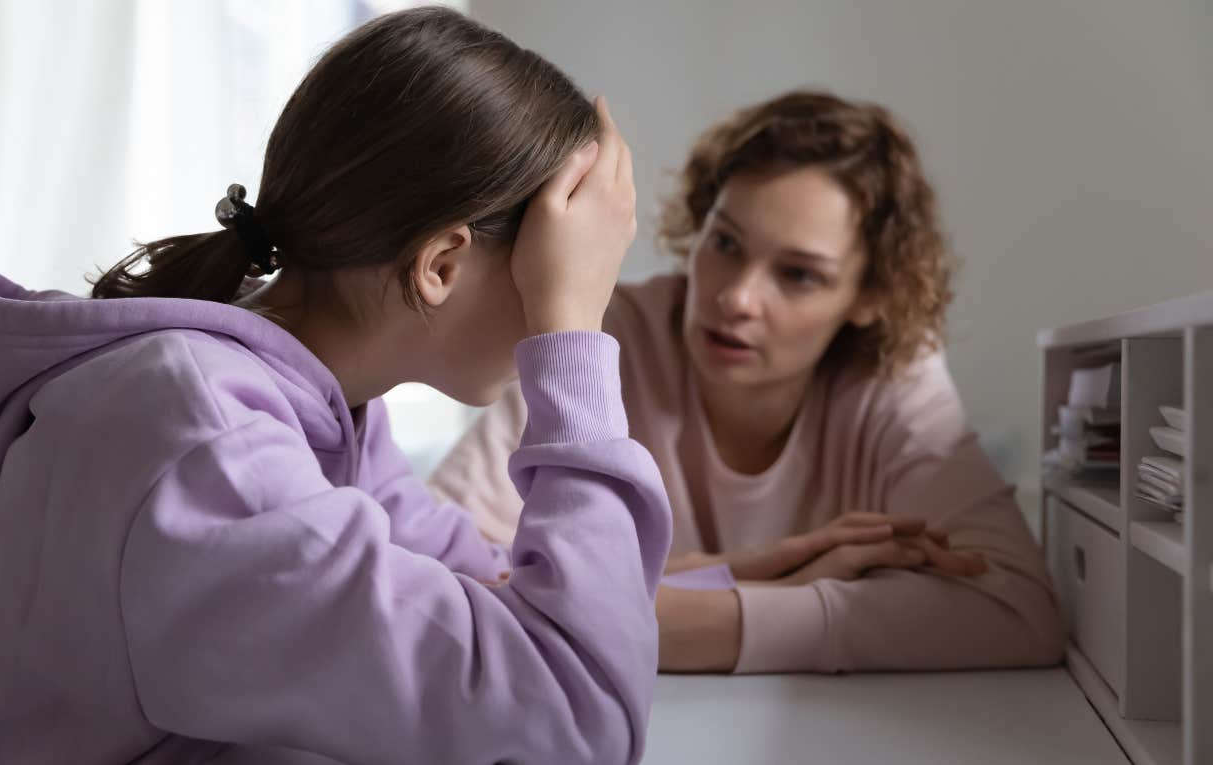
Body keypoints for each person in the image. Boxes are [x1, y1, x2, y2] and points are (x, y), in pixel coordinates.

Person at [0, 8, 670, 763]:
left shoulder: (312, 408)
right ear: (440, 265)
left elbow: (490, 584)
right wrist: (571, 333)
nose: (569, 293)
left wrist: (750, 597)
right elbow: (577, 716)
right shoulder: (210, 441)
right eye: (555, 265)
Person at [430, 90, 1065, 675]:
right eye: (727, 244)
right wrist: (775, 589)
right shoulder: (603, 332)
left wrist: (667, 620)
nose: (736, 298)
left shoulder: (892, 373)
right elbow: (439, 582)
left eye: (799, 275)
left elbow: (1019, 611)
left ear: (871, 295)